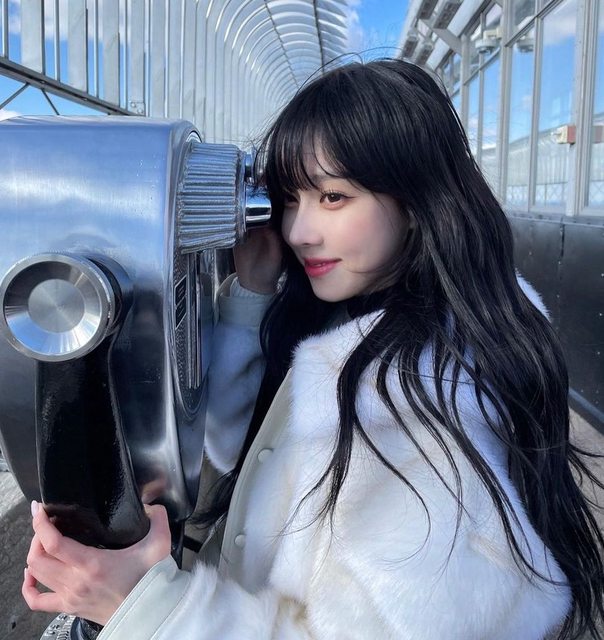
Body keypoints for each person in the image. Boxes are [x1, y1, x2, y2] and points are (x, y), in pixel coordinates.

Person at [22, 59, 604, 639]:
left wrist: (146, 608)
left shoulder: (419, 402)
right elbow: (259, 457)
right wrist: (252, 294)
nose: (298, 231)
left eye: (333, 197)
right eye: (291, 198)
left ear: (417, 199)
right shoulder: (369, 316)